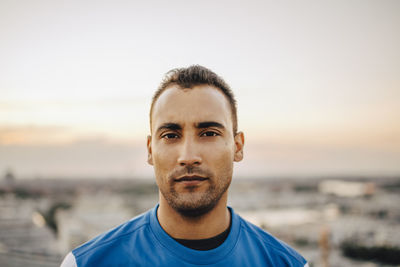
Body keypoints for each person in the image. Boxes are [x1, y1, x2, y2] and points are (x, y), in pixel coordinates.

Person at [61, 65, 308, 267]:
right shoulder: (85, 264)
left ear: (238, 146)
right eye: (170, 135)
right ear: (150, 150)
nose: (188, 156)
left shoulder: (287, 264)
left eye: (209, 133)